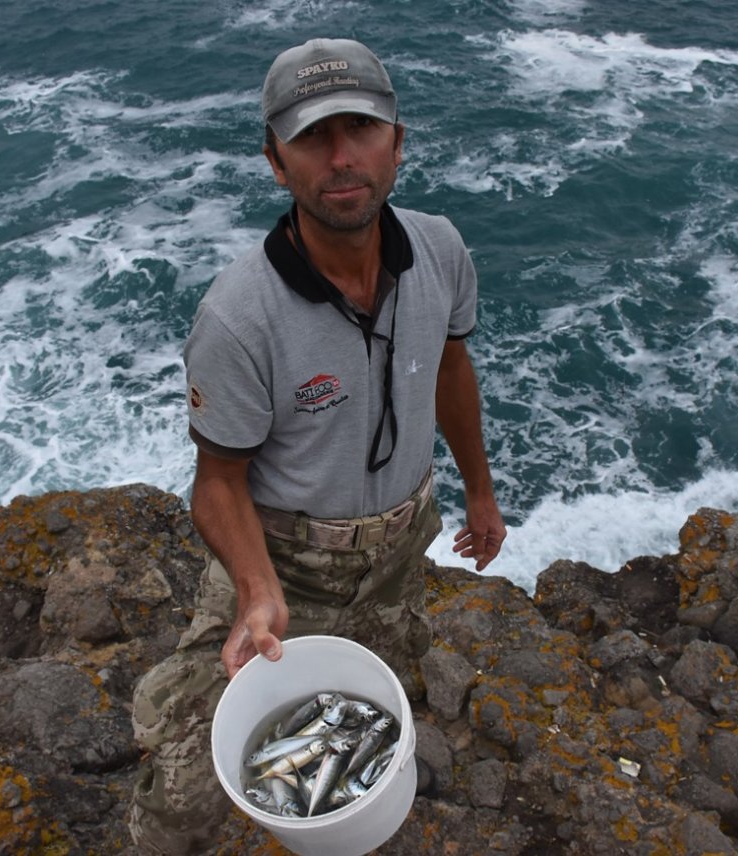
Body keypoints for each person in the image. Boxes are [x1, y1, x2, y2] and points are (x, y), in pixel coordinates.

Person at [129, 37, 505, 854]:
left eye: (362, 129)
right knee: (193, 779)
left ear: (398, 143)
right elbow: (218, 483)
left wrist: (478, 490)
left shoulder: (440, 248)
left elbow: (449, 363)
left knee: (383, 701)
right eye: (311, 137)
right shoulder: (238, 318)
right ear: (275, 161)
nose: (342, 158)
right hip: (292, 563)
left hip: (406, 539)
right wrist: (257, 591)